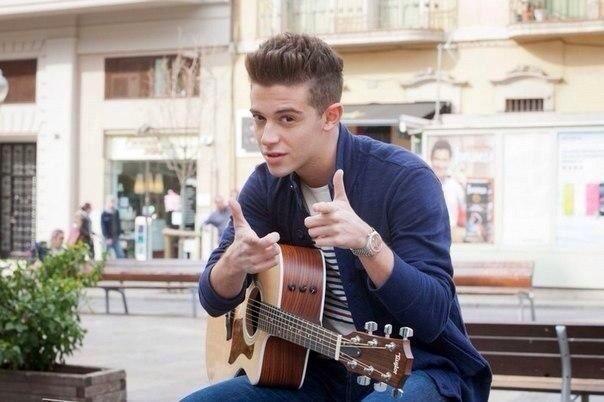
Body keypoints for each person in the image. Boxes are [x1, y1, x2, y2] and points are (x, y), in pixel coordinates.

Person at [183, 33, 491, 402]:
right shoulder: (266, 185)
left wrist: (368, 245)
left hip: (414, 368)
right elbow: (213, 300)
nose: (267, 137)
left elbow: (433, 315)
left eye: (287, 119)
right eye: (259, 119)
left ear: (331, 116)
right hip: (311, 372)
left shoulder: (405, 179)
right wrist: (232, 265)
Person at [430, 140, 467, 243]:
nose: (440, 164)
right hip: (429, 239)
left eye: (444, 160)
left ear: (450, 161)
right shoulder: (423, 183)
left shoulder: (455, 186)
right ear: (431, 159)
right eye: (437, 159)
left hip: (451, 240)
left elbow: (466, 212)